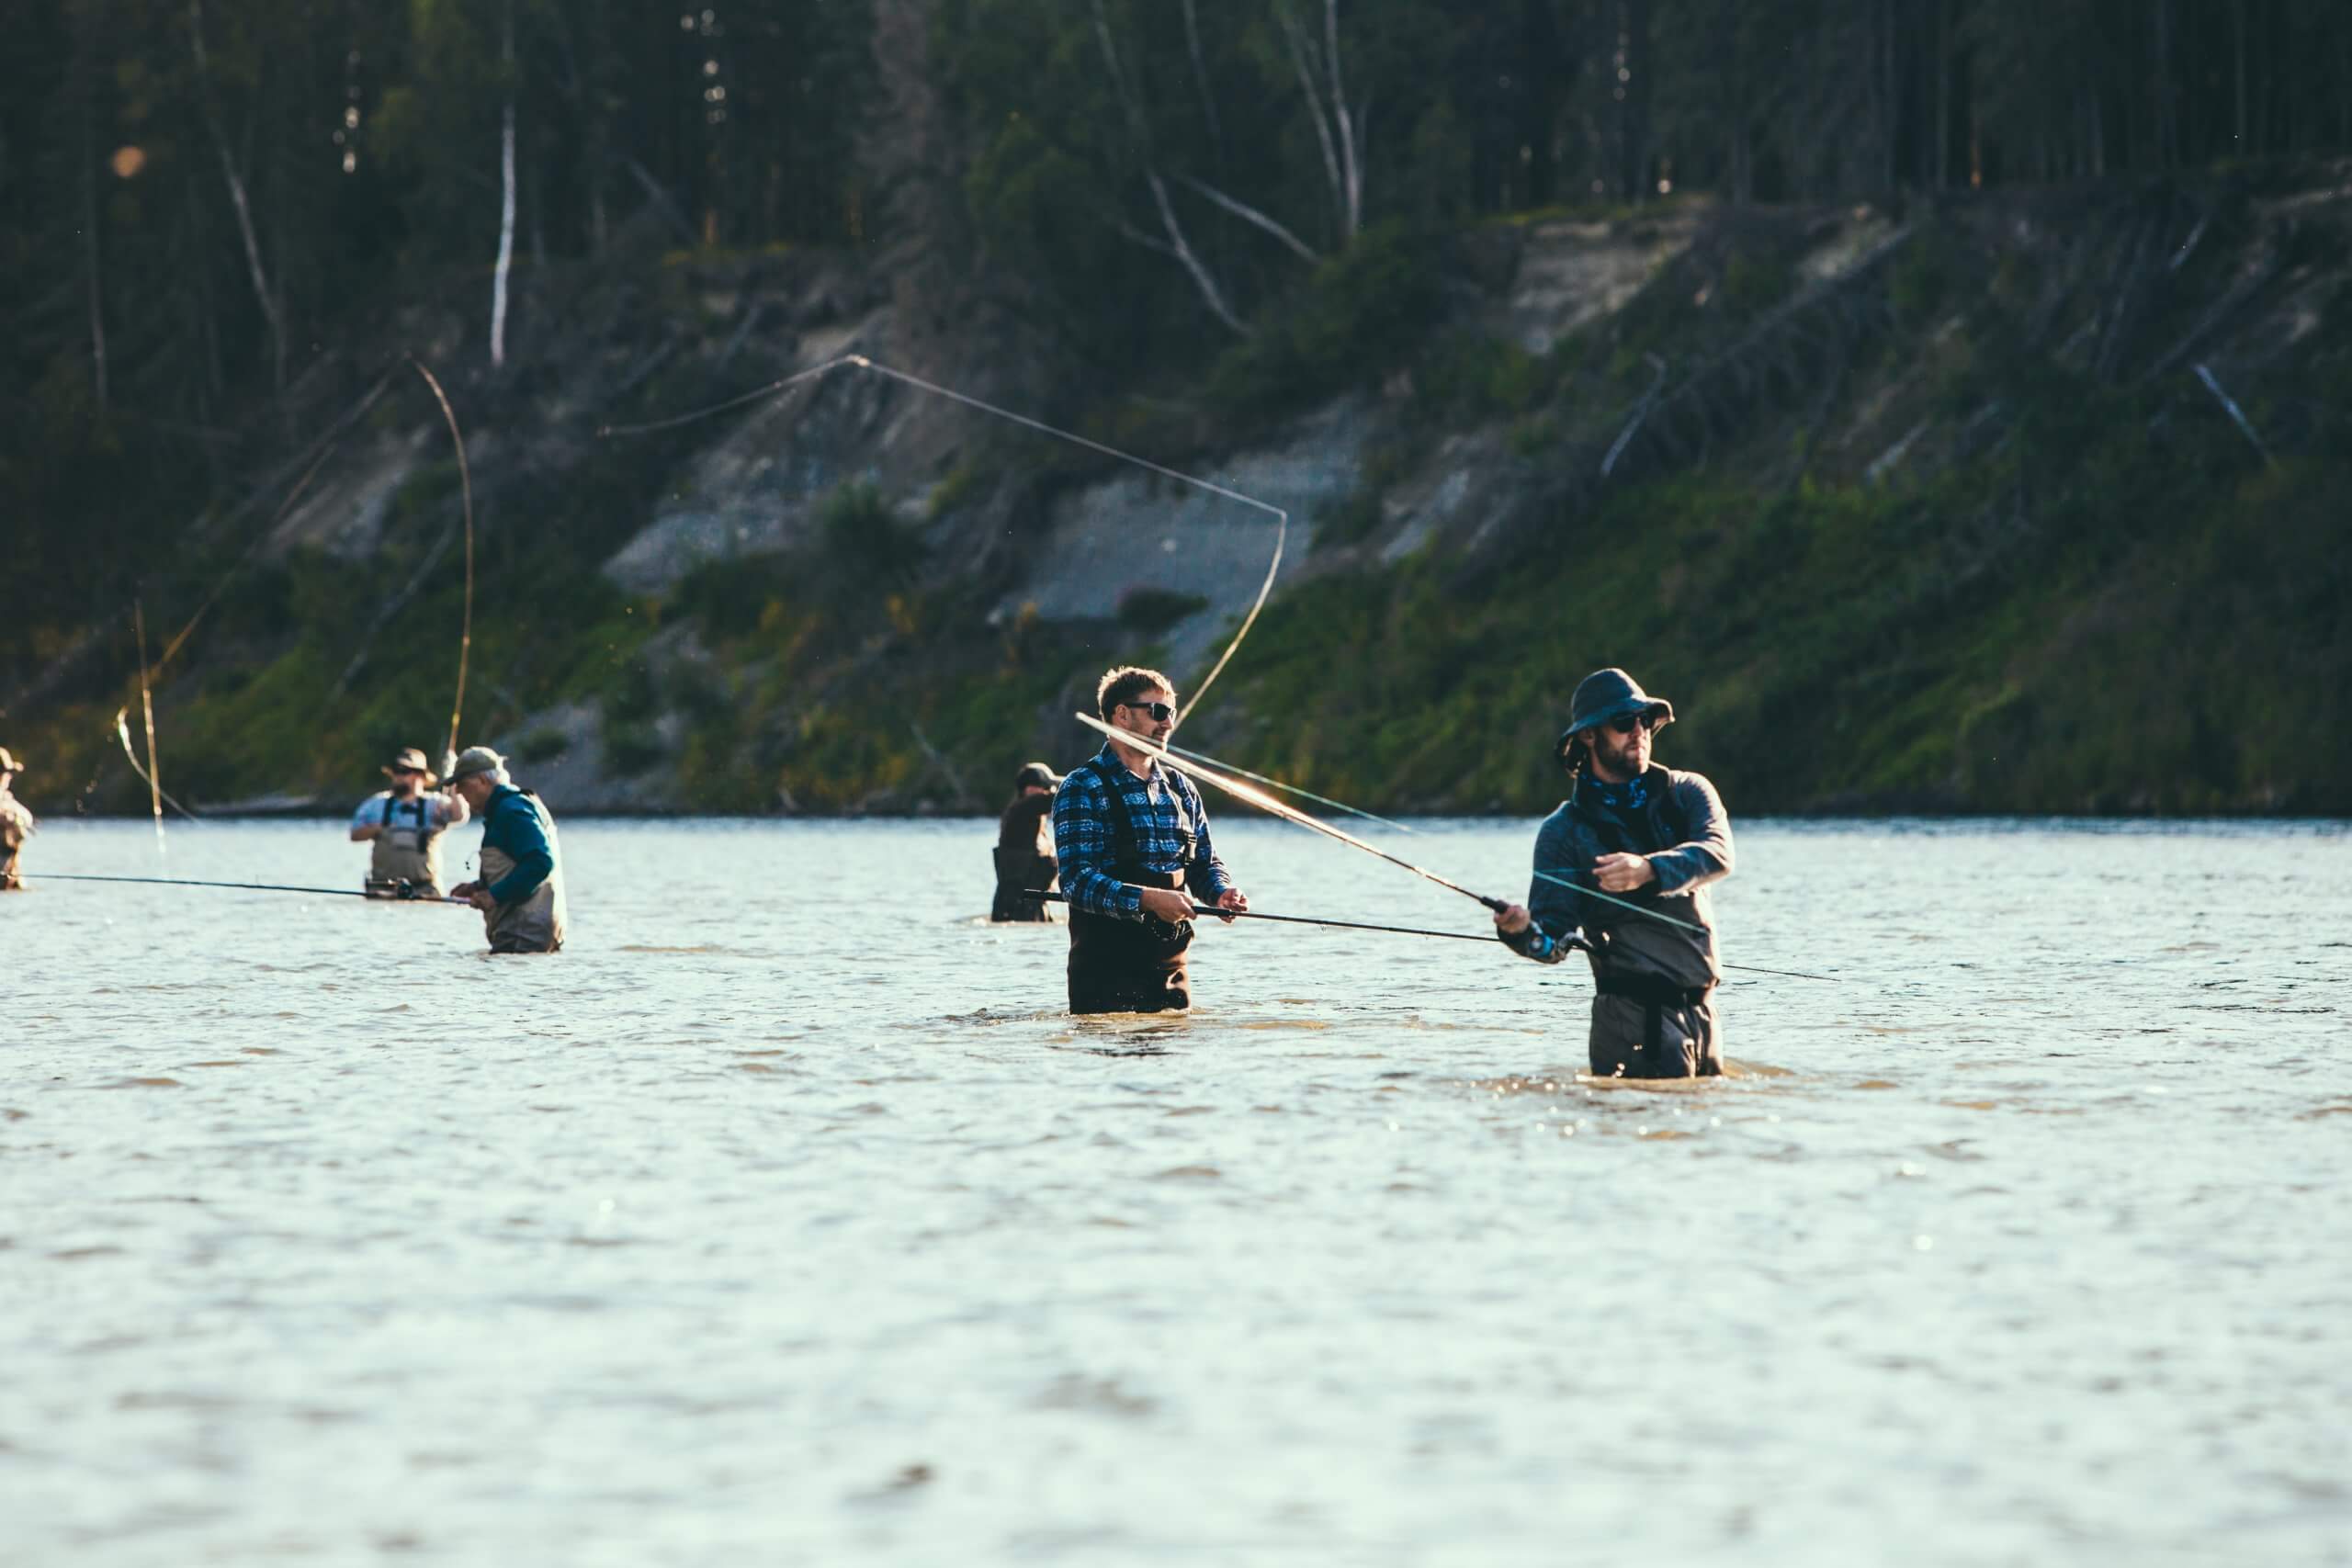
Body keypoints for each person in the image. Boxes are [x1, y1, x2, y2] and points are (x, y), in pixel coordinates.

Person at [1493, 668, 1735, 1078]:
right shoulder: (1563, 832)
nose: (1638, 731)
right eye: (1624, 723)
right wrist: (1519, 932)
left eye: (1645, 720)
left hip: (1704, 1014)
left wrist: (1649, 870)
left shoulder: (1689, 792)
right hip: (1631, 1020)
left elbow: (1717, 855)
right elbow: (1552, 943)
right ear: (1588, 736)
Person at [1053, 666, 1247, 1014]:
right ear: (1122, 715)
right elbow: (1076, 881)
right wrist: (1149, 899)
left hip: (1173, 978)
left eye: (1170, 713)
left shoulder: (1181, 787)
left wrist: (1220, 892)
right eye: (1157, 712)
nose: (1168, 724)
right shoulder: (1082, 787)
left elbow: (1204, 862)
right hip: (1104, 979)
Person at [444, 746, 567, 953]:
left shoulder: (511, 811)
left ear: (482, 781)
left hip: (523, 935)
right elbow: (517, 865)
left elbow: (540, 862)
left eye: (462, 784)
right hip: (531, 935)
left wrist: (495, 895)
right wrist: (479, 887)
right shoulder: (512, 806)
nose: (458, 792)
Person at [348, 746, 469, 897]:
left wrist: (453, 778)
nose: (398, 776)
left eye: (404, 771)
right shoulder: (376, 804)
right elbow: (354, 834)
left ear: (420, 776)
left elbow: (459, 816)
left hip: (425, 891)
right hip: (382, 891)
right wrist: (378, 829)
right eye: (395, 771)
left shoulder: (435, 804)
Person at [991, 761, 1062, 922]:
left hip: (1028, 903)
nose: (1046, 791)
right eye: (1043, 787)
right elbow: (1063, 796)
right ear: (1029, 789)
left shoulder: (1026, 813)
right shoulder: (1024, 808)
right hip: (1019, 906)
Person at [0, 749, 34, 891]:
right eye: (5, 773)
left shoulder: (7, 799)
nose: (8, 777)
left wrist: (14, 819)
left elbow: (27, 818)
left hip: (9, 872)